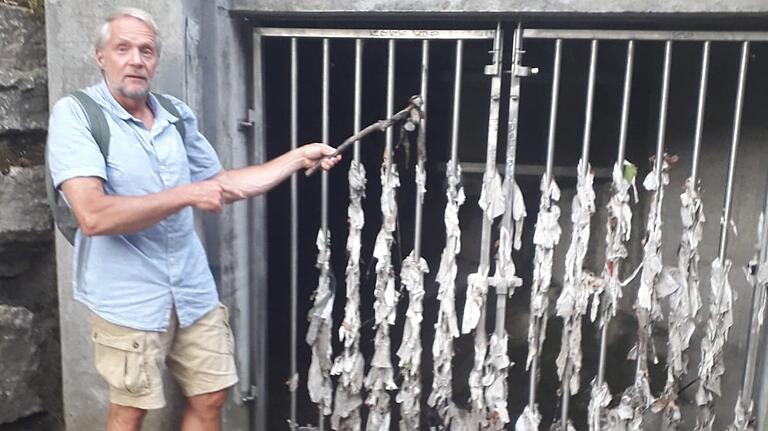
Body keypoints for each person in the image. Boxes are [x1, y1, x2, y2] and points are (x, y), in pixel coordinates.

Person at [46, 7, 340, 431]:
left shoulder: (176, 116)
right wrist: (187, 193)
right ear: (100, 57)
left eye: (146, 51)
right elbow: (92, 215)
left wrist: (297, 158)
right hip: (128, 296)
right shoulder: (77, 116)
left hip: (191, 288)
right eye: (123, 48)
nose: (136, 60)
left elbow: (222, 183)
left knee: (211, 396)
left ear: (156, 61)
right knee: (129, 412)